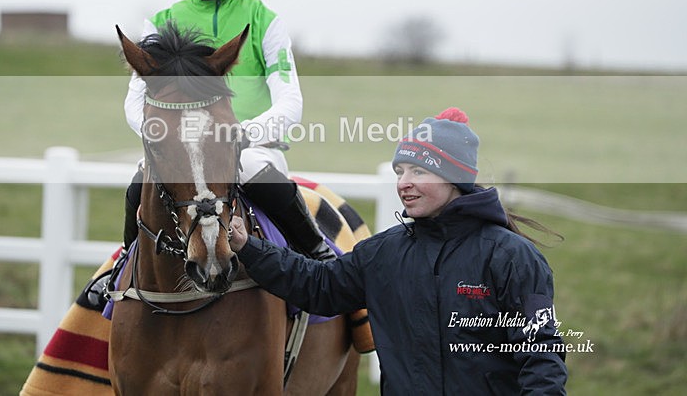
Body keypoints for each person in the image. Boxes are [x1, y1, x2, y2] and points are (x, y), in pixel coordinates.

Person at [230, 107, 568, 394]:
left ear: (454, 179)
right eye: (400, 171)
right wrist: (248, 246)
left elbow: (542, 358)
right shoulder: (384, 253)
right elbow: (319, 287)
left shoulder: (513, 257)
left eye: (419, 171)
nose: (404, 182)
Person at [120, 0, 334, 262]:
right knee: (141, 181)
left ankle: (317, 256)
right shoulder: (159, 21)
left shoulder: (266, 21)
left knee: (252, 168)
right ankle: (126, 259)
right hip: (179, 148)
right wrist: (163, 136)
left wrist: (241, 135)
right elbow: (135, 99)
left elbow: (290, 102)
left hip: (251, 149)